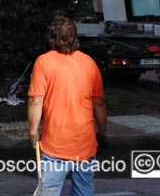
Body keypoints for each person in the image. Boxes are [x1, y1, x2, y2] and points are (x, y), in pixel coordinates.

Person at [27, 15, 107, 196]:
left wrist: (32, 132)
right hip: (85, 144)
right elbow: (99, 103)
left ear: (52, 38)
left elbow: (35, 101)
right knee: (84, 191)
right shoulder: (89, 63)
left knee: (49, 191)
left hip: (55, 144)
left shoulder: (44, 62)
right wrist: (103, 133)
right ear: (74, 36)